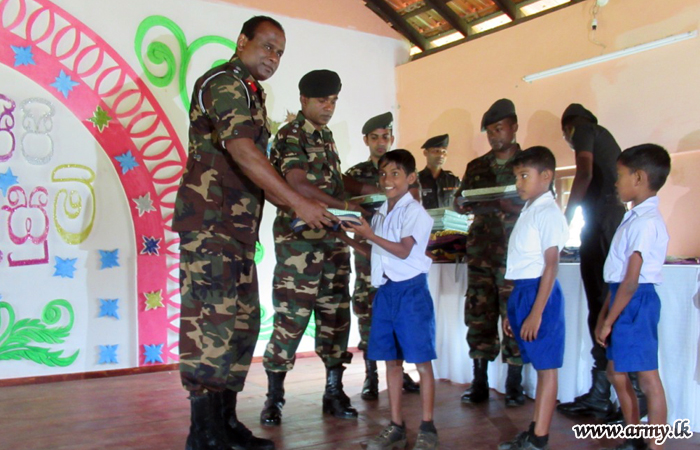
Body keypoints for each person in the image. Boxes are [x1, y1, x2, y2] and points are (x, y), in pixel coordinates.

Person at [172, 16, 334, 450]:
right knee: (212, 326)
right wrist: (296, 202)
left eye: (279, 52)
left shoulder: (251, 94)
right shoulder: (224, 83)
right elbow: (243, 151)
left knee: (241, 327)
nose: (272, 57)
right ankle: (202, 435)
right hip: (210, 226)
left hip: (236, 229)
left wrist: (305, 201)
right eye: (266, 46)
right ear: (242, 41)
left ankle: (224, 424)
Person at [260, 69, 373, 426]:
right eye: (322, 100)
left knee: (336, 318)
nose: (329, 107)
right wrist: (347, 207)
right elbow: (298, 185)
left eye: (334, 101)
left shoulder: (325, 136)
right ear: (304, 100)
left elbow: (334, 183)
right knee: (291, 321)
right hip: (300, 248)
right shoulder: (290, 135)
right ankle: (274, 398)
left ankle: (333, 391)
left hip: (333, 243)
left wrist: (365, 195)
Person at [339, 149, 438, 450]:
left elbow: (404, 250)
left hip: (411, 293)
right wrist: (342, 236)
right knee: (391, 362)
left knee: (420, 362)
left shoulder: (415, 212)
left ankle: (428, 427)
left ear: (410, 178)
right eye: (383, 173)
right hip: (386, 293)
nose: (387, 179)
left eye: (395, 173)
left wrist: (369, 233)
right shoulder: (382, 212)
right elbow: (376, 253)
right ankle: (396, 425)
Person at [556, 104, 646, 422]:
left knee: (607, 305)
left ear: (567, 129)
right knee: (599, 305)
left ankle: (632, 396)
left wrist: (566, 217)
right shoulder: (600, 135)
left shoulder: (583, 130)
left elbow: (584, 172)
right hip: (601, 218)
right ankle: (601, 393)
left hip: (603, 218)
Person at [595, 144, 671, 450]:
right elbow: (618, 278)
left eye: (620, 175)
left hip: (636, 301)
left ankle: (656, 444)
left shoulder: (645, 221)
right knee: (615, 371)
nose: (616, 182)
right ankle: (632, 433)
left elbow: (631, 280)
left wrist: (608, 321)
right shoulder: (634, 217)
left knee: (648, 378)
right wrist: (605, 314)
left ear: (638, 177)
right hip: (622, 298)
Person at [454, 98, 525, 407]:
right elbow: (459, 200)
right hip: (481, 253)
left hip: (516, 256)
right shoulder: (476, 167)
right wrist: (459, 204)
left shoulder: (529, 164)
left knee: (515, 315)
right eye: (490, 132)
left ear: (514, 127)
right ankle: (479, 380)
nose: (495, 136)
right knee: (479, 316)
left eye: (499, 129)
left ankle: (514, 384)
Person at [344, 112, 420, 401]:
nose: (380, 142)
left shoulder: (406, 173)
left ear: (392, 138)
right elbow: (348, 210)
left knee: (400, 313)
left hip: (399, 257)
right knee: (367, 312)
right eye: (374, 137)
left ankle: (401, 373)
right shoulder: (354, 176)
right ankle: (370, 376)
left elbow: (415, 209)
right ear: (366, 140)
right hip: (369, 257)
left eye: (385, 137)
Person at [499, 146, 569, 450]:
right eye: (517, 176)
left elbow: (551, 265)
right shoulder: (530, 210)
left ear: (547, 176)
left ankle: (539, 438)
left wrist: (536, 313)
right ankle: (534, 430)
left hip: (541, 292)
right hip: (524, 291)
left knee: (546, 368)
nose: (519, 182)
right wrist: (512, 311)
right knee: (540, 368)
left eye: (524, 175)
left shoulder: (548, 212)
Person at [417, 134, 461, 209]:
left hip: (448, 220)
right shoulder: (416, 180)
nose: (441, 155)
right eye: (436, 151)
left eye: (444, 151)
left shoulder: (453, 181)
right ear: (425, 153)